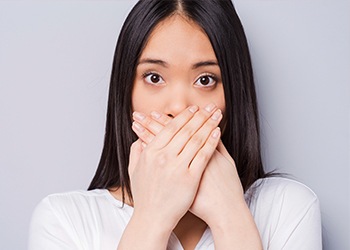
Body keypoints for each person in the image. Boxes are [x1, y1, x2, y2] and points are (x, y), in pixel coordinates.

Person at [28, 0, 322, 249]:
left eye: (205, 80)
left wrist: (230, 215)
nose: (179, 107)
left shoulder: (287, 208)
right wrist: (152, 217)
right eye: (154, 78)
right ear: (126, 93)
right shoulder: (63, 220)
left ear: (233, 94)